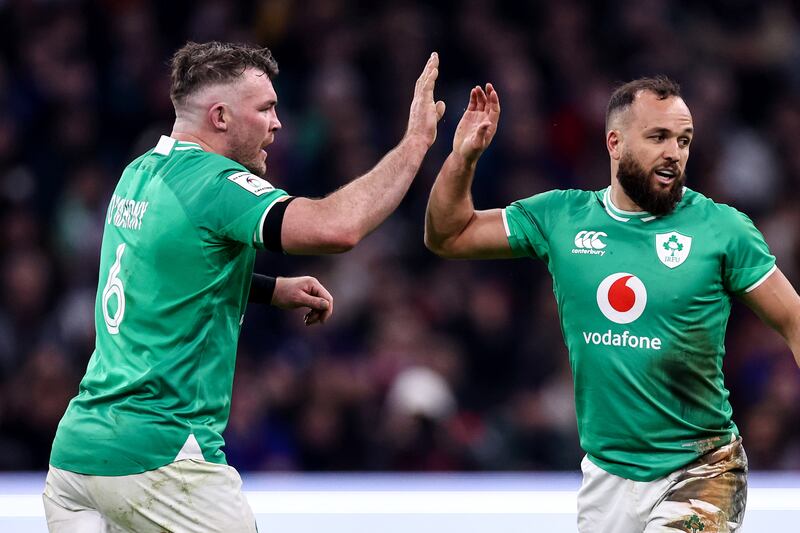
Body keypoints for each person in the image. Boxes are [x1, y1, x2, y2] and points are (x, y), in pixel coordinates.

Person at [44, 41, 445, 532]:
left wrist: (269, 289)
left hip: (77, 460)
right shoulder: (213, 183)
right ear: (220, 117)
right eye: (267, 109)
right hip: (161, 458)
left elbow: (159, 272)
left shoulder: (140, 173)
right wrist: (415, 143)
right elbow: (337, 227)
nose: (278, 124)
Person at [425, 77, 800, 532]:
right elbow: (447, 235)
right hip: (606, 475)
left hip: (701, 471)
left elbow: (793, 319)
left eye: (684, 140)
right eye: (658, 137)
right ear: (615, 142)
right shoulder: (563, 217)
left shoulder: (723, 229)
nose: (675, 153)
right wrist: (463, 159)